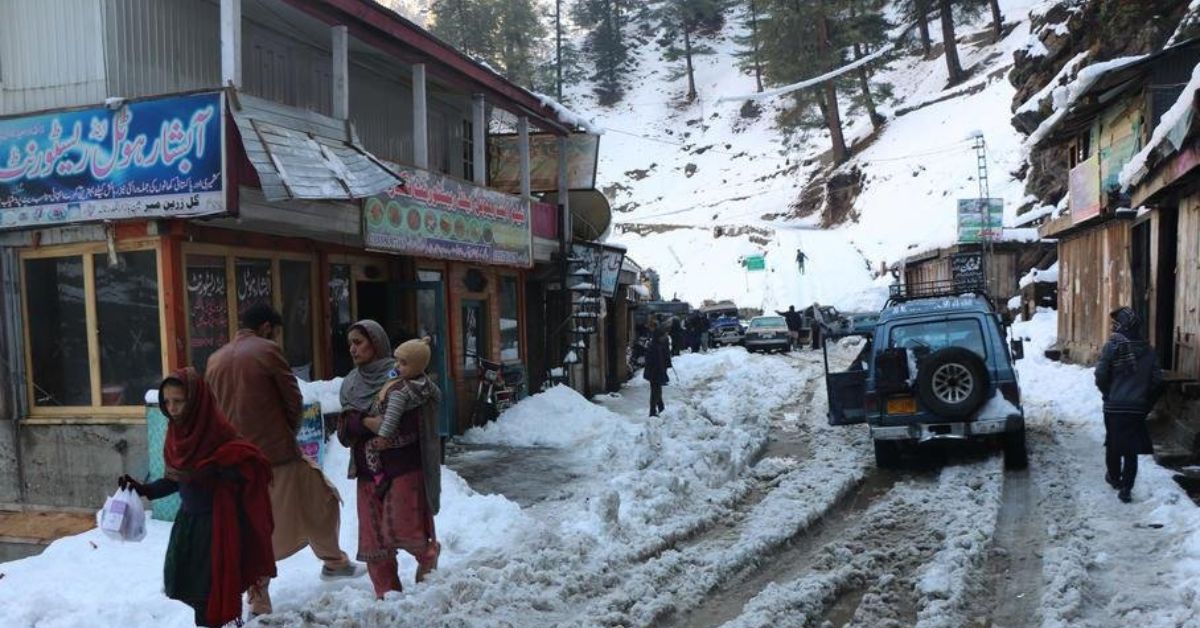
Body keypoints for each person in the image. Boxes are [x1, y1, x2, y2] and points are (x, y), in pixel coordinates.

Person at [205, 303, 360, 617]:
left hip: (234, 459)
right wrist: (288, 433)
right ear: (266, 328)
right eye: (275, 332)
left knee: (253, 525)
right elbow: (293, 399)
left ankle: (263, 594)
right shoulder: (267, 351)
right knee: (322, 499)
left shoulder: (215, 359)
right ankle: (332, 562)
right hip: (275, 454)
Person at [120, 368, 275, 627]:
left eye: (178, 401)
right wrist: (144, 490)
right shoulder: (176, 434)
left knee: (210, 592)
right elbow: (174, 480)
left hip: (219, 526)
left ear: (195, 400)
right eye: (167, 402)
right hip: (189, 525)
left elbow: (252, 465)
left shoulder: (218, 433)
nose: (172, 408)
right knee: (191, 589)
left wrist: (218, 471)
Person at [338, 329, 443, 597]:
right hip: (366, 470)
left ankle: (428, 555)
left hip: (402, 467)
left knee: (404, 528)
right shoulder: (350, 384)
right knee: (374, 541)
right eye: (350, 344)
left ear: (375, 343)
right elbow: (345, 428)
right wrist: (366, 422)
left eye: (358, 342)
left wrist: (380, 427)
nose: (352, 349)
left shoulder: (404, 374)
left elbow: (414, 421)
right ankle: (387, 594)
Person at [1095, 307, 1164, 503]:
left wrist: (1108, 393)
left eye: (1116, 323)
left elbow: (1101, 375)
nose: (1113, 327)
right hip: (1137, 407)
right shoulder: (1148, 351)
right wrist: (1146, 403)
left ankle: (1114, 477)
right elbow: (1158, 381)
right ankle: (1126, 488)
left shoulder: (1112, 347)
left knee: (1113, 443)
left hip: (1114, 406)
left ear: (1122, 326)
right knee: (1131, 449)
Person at [643, 319, 672, 417]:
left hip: (655, 370)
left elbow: (663, 356)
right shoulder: (656, 345)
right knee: (656, 391)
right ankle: (653, 411)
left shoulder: (656, 343)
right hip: (655, 371)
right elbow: (659, 359)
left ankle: (660, 408)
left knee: (656, 390)